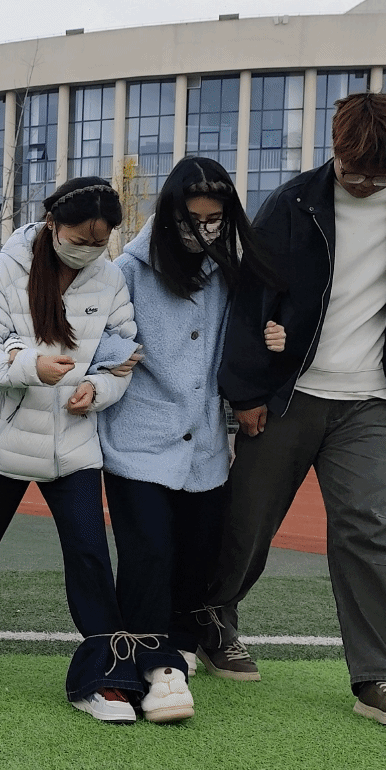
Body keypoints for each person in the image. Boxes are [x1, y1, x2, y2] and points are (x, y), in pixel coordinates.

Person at [206, 91, 386, 726]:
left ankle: (380, 676)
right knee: (249, 521)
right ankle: (213, 617)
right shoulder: (292, 203)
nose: (363, 184)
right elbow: (251, 300)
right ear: (335, 148)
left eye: (380, 175)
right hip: (288, 394)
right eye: (352, 169)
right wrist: (246, 392)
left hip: (369, 399)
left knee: (373, 528)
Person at [0, 177, 148, 724]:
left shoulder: (110, 278)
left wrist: (97, 390)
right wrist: (31, 368)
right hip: (4, 443)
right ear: (53, 225)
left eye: (100, 242)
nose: (89, 250)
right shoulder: (4, 269)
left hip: (75, 445)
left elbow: (121, 359)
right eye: (80, 240)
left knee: (90, 552)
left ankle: (105, 677)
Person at [99, 157, 285, 724]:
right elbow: (98, 333)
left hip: (203, 444)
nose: (202, 230)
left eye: (214, 219)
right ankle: (155, 665)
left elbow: (238, 343)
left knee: (198, 552)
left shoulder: (228, 272)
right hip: (138, 439)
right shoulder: (128, 270)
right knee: (148, 551)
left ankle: (177, 645)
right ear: (168, 213)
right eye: (191, 218)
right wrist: (113, 355)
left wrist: (270, 339)